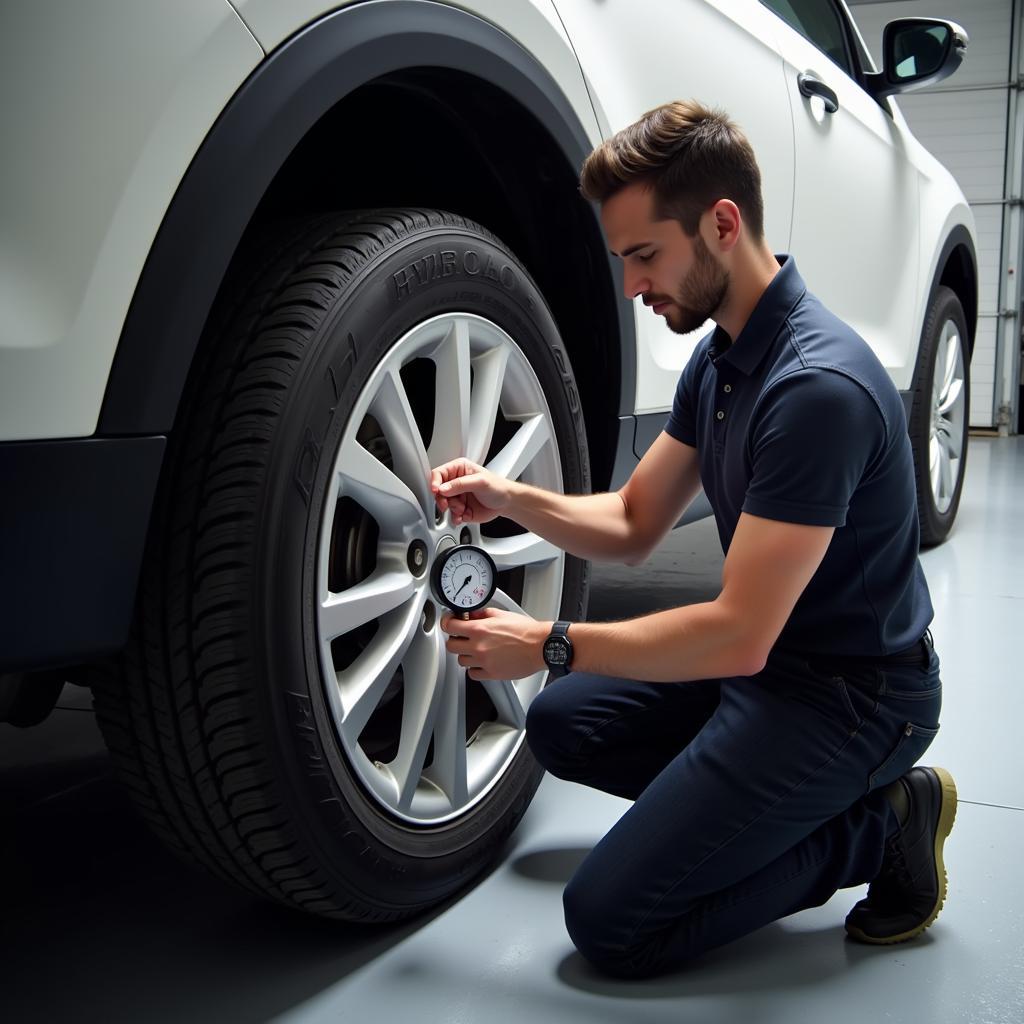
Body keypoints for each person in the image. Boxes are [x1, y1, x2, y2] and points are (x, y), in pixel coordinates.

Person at [429, 100, 956, 980]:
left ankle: (878, 826)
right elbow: (635, 524)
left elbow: (738, 634)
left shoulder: (814, 390)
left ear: (722, 224)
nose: (632, 285)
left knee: (611, 924)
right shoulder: (722, 355)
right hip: (768, 674)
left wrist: (552, 641)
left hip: (855, 700)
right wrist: (509, 496)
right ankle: (763, 810)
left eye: (644, 255)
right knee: (563, 724)